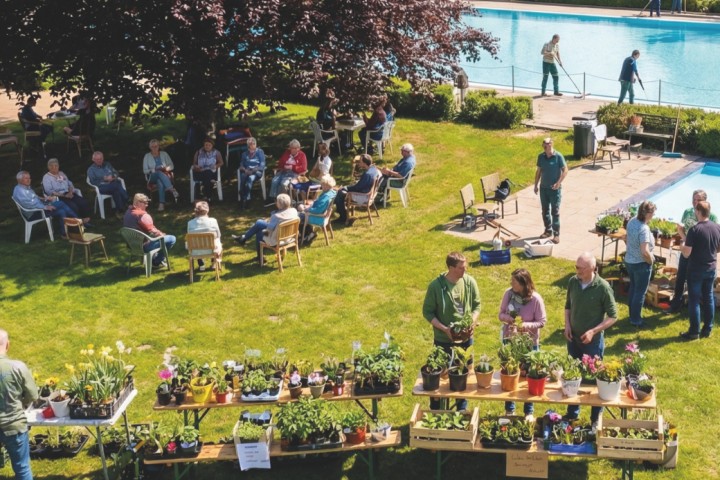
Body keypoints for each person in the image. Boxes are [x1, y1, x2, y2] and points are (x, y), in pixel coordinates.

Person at [422, 252, 481, 410]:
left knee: (463, 375)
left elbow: (477, 306)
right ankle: (437, 410)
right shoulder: (436, 286)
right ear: (451, 267)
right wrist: (444, 329)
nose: (465, 270)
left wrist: (472, 321)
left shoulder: (469, 282)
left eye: (465, 266)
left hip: (466, 340)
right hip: (443, 340)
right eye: (461, 268)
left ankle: (461, 410)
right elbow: (428, 312)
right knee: (439, 376)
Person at [564, 252, 618, 425]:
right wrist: (567, 325)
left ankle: (596, 419)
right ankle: (572, 414)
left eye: (581, 268)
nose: (577, 271)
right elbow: (568, 306)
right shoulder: (573, 282)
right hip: (573, 340)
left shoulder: (602, 287)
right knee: (573, 377)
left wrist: (593, 331)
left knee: (595, 381)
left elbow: (613, 316)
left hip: (592, 343)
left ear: (593, 268)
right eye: (576, 267)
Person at [498, 268, 546, 418]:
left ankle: (528, 411)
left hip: (529, 344)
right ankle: (510, 409)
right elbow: (500, 314)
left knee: (529, 377)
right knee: (510, 374)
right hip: (511, 341)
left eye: (514, 281)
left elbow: (542, 321)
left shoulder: (535, 299)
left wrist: (526, 325)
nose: (511, 283)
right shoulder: (509, 294)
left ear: (524, 283)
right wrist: (509, 319)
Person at [666, 190, 718, 313]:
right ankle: (676, 304)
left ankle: (700, 307)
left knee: (701, 283)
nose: (695, 202)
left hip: (701, 256)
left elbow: (714, 237)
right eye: (694, 199)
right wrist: (681, 234)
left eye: (698, 200)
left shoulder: (712, 217)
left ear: (705, 201)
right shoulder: (687, 212)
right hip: (687, 251)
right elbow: (684, 231)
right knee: (680, 278)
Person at [0, 328, 38, 480]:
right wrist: (22, 403)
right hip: (13, 425)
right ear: (7, 344)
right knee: (22, 468)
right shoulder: (17, 367)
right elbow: (33, 395)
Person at [679, 201, 720, 340]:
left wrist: (681, 245)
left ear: (697, 212)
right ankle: (707, 329)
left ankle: (694, 331)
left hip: (696, 270)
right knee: (708, 298)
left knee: (694, 300)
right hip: (711, 268)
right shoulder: (717, 227)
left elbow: (687, 253)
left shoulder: (694, 230)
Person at [232, 194, 298, 261]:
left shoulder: (276, 216)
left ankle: (246, 240)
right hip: (289, 238)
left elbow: (269, 230)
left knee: (259, 226)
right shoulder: (294, 211)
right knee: (259, 225)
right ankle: (244, 239)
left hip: (276, 240)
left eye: (276, 201)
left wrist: (267, 222)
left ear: (279, 204)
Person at [13, 170, 79, 239]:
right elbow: (29, 204)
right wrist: (45, 207)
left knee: (62, 211)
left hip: (39, 209)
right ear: (19, 180)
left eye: (29, 178)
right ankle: (79, 221)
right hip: (34, 213)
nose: (29, 180)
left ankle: (64, 234)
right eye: (26, 178)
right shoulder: (20, 191)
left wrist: (45, 199)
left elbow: (34, 197)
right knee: (61, 203)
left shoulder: (25, 187)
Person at [624, 201, 657, 328]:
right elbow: (644, 251)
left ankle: (632, 315)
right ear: (648, 213)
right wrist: (651, 261)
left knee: (633, 288)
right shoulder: (644, 229)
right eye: (653, 213)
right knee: (640, 292)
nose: (653, 215)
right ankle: (636, 320)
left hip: (629, 261)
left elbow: (626, 238)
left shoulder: (632, 221)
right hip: (641, 264)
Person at [123, 193, 176, 268]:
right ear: (138, 202)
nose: (147, 205)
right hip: (144, 247)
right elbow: (154, 232)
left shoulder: (127, 212)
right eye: (145, 203)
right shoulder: (143, 215)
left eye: (147, 203)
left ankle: (153, 257)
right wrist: (162, 235)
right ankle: (156, 261)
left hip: (132, 246)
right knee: (171, 238)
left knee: (153, 237)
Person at [533, 137, 567, 244]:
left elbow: (565, 170)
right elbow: (538, 171)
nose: (544, 146)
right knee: (545, 211)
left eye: (546, 144)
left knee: (555, 212)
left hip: (554, 190)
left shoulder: (558, 156)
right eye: (543, 144)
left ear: (551, 144)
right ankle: (548, 230)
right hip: (543, 189)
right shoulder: (541, 157)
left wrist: (558, 183)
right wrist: (535, 185)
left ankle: (556, 235)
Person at [334, 154, 380, 225]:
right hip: (370, 194)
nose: (359, 163)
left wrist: (345, 188)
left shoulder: (367, 174)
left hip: (363, 197)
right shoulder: (374, 170)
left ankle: (343, 216)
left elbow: (357, 188)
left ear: (364, 163)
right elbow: (360, 185)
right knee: (341, 192)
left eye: (360, 161)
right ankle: (341, 211)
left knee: (340, 193)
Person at [42, 158, 92, 224]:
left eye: (56, 165)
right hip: (58, 197)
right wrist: (64, 195)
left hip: (68, 193)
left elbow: (69, 184)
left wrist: (70, 192)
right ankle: (77, 223)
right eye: (52, 166)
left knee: (83, 202)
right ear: (48, 167)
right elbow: (49, 191)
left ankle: (86, 219)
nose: (54, 168)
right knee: (73, 206)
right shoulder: (46, 177)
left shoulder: (61, 173)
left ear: (58, 166)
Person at [87, 151, 129, 219]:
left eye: (101, 159)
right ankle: (127, 199)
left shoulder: (107, 164)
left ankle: (120, 210)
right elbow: (93, 182)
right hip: (102, 187)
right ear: (93, 160)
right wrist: (104, 179)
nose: (99, 161)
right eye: (97, 159)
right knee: (116, 185)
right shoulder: (91, 169)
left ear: (103, 158)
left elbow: (116, 172)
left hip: (112, 183)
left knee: (116, 190)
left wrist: (113, 177)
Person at [297, 175, 337, 245]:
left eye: (323, 184)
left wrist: (307, 209)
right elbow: (319, 205)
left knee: (297, 216)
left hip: (317, 217)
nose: (321, 186)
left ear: (327, 185)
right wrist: (310, 205)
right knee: (301, 210)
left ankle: (306, 236)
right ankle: (308, 233)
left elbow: (318, 210)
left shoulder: (326, 196)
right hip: (324, 216)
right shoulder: (332, 192)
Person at [143, 139, 179, 211]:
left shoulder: (164, 154)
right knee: (158, 172)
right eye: (152, 147)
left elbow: (171, 165)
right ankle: (171, 189)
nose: (154, 148)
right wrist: (153, 170)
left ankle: (161, 204)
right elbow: (145, 170)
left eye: (156, 146)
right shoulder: (147, 156)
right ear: (150, 147)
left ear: (159, 146)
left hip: (164, 175)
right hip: (152, 176)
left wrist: (166, 168)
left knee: (160, 182)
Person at [187, 200, 221, 272]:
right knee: (216, 240)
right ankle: (214, 263)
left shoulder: (190, 223)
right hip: (212, 250)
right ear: (207, 210)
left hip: (195, 251)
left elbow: (189, 235)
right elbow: (219, 235)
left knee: (194, 241)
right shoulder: (213, 221)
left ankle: (201, 265)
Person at [238, 137, 266, 206]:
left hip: (256, 172)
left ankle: (244, 198)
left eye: (254, 143)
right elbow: (241, 164)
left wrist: (253, 170)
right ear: (248, 145)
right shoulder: (244, 154)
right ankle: (246, 199)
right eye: (251, 144)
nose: (253, 145)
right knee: (243, 176)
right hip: (247, 171)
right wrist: (244, 169)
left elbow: (262, 164)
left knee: (250, 179)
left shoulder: (260, 152)